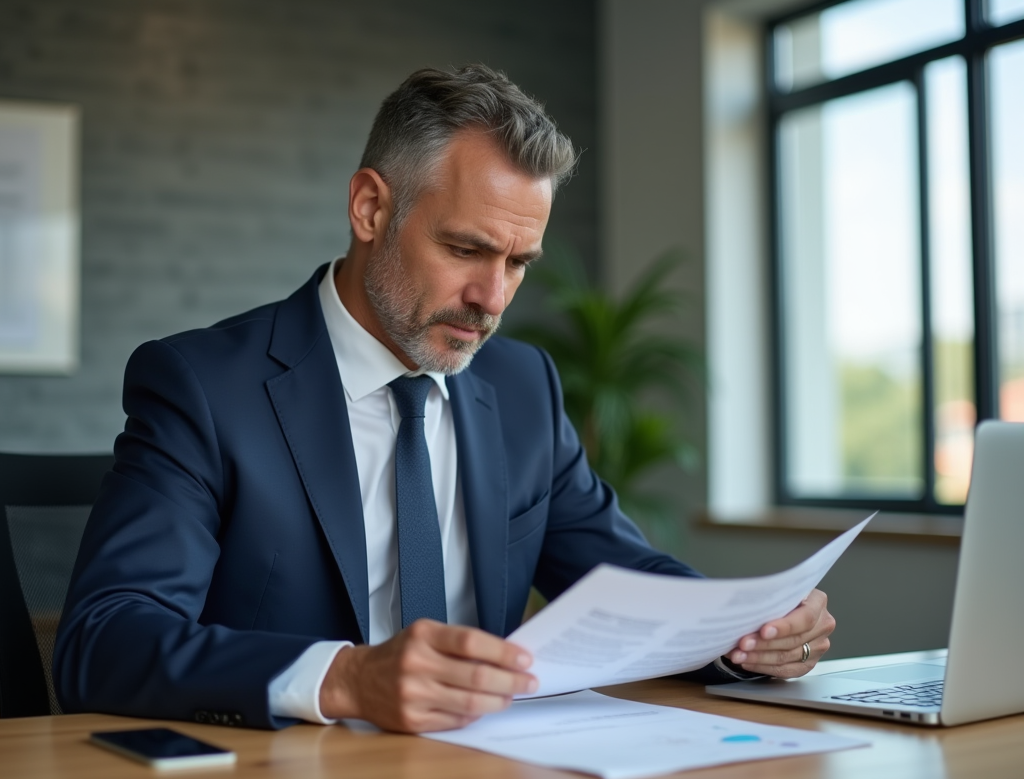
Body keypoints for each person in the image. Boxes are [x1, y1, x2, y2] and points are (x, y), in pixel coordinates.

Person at [54, 64, 834, 734]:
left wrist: (742, 627)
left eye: (519, 262)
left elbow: (620, 576)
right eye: (465, 249)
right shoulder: (204, 386)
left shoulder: (524, 387)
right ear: (370, 209)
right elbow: (105, 638)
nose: (492, 299)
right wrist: (347, 679)